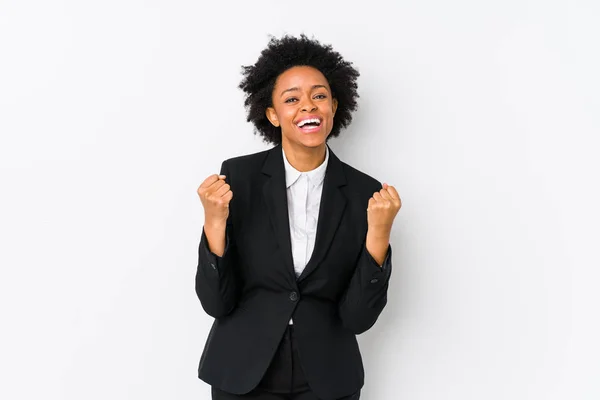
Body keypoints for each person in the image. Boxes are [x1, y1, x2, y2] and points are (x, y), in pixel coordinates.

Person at [195, 34, 402, 400]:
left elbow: (358, 319)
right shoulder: (238, 179)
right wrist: (214, 223)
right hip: (243, 370)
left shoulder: (364, 193)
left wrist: (379, 236)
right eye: (292, 98)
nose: (308, 106)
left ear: (334, 105)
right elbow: (216, 303)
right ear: (272, 114)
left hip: (326, 377)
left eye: (319, 95)